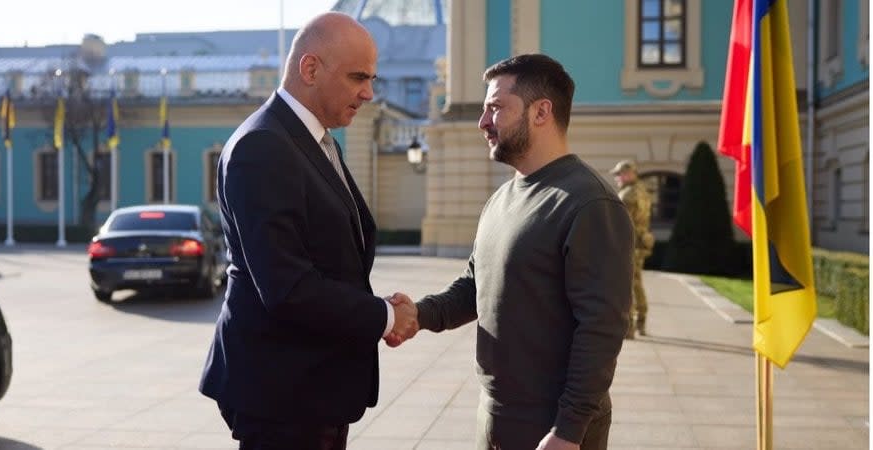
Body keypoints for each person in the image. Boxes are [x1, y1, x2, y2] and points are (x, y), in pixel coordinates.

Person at [386, 54, 633, 450]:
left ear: (541, 112)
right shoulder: (502, 198)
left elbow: (602, 329)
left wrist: (569, 430)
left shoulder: (589, 203)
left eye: (496, 108)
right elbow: (475, 286)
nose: (483, 122)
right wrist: (420, 314)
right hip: (498, 416)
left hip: (552, 426)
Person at [199, 12, 418, 450]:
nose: (369, 93)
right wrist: (386, 316)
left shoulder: (315, 138)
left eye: (372, 78)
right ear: (311, 68)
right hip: (282, 395)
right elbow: (287, 287)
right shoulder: (263, 147)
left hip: (310, 390)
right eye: (358, 77)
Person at [610, 159, 654, 339]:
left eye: (619, 175)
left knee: (626, 286)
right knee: (636, 284)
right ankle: (641, 320)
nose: (617, 179)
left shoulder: (627, 195)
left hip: (629, 245)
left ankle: (629, 327)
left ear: (629, 174)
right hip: (641, 242)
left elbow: (620, 223)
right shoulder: (642, 191)